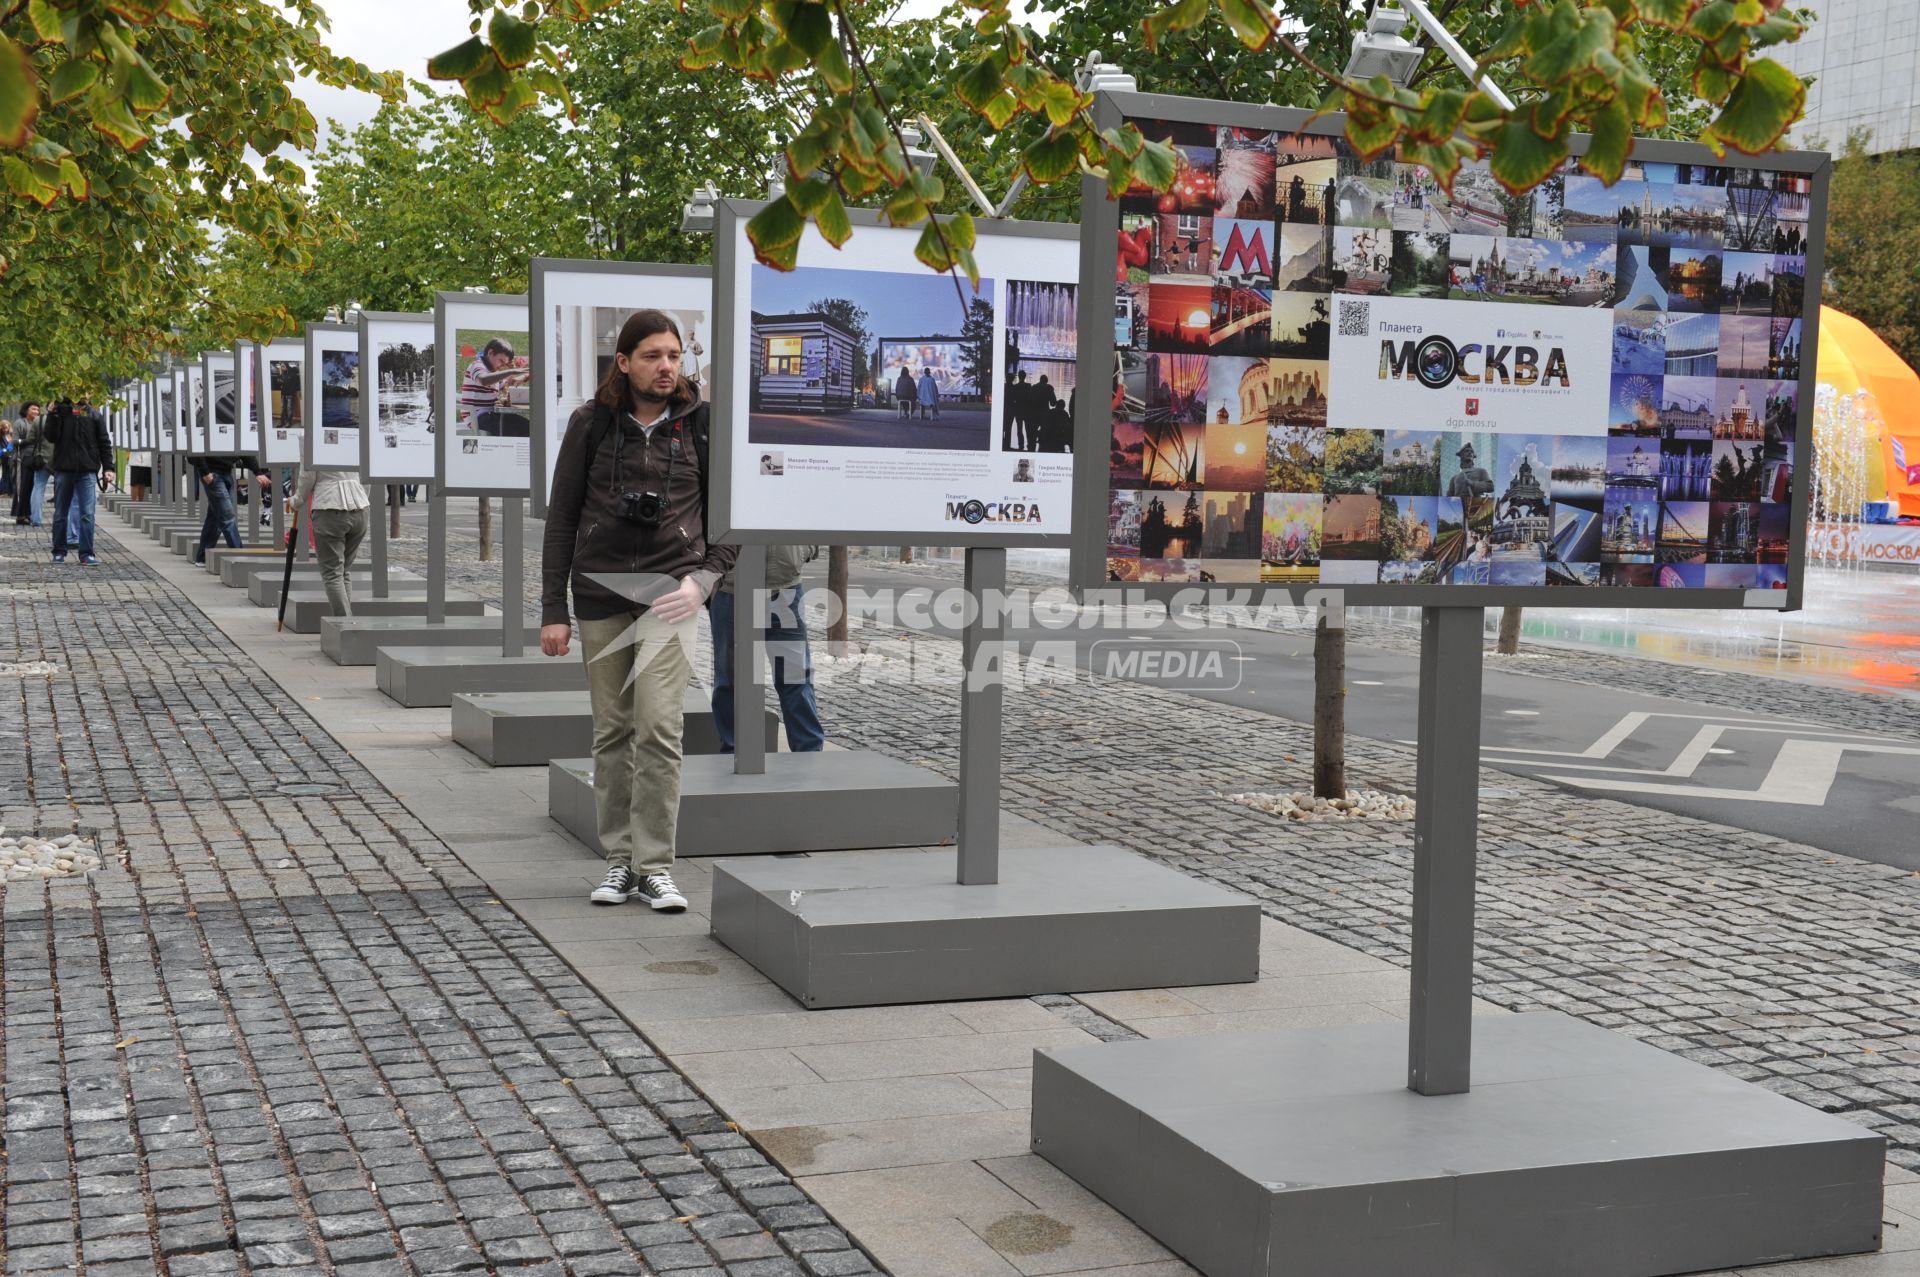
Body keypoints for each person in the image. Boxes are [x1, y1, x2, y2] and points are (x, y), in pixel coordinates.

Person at [540, 309, 736, 911]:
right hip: (599, 593)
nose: (666, 367)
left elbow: (732, 522)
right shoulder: (591, 424)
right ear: (623, 362)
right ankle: (619, 862)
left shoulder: (702, 424)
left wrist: (704, 580)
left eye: (674, 356)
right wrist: (553, 609)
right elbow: (562, 519)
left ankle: (655, 865)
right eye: (652, 356)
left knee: (658, 727)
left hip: (670, 597)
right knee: (613, 730)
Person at [710, 545, 825, 755]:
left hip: (785, 587)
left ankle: (809, 754)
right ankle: (733, 754)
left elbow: (812, 515)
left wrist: (804, 550)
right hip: (731, 589)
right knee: (729, 680)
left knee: (796, 677)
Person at [292, 463, 370, 616]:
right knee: (344, 571)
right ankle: (347, 622)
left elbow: (308, 475)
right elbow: (365, 475)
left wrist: (296, 501)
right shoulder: (356, 437)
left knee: (333, 573)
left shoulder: (309, 437)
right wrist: (361, 497)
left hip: (329, 504)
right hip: (359, 506)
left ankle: (345, 625)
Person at [191, 453, 271, 565]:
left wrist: (257, 472)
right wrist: (205, 471)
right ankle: (240, 556)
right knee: (227, 517)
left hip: (225, 471)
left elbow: (243, 449)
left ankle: (202, 557)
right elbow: (196, 447)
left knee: (215, 517)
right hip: (211, 472)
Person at [460, 338, 530, 437]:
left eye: (504, 364)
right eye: (501, 361)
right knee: (511, 433)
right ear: (490, 353)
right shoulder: (477, 366)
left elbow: (508, 384)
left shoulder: (494, 373)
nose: (502, 366)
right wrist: (510, 372)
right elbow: (483, 380)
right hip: (477, 416)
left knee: (529, 427)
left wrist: (523, 375)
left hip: (492, 414)